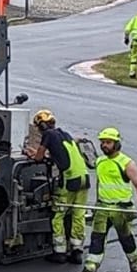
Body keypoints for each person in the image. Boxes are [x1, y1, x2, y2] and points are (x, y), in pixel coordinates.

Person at [73, 127, 137, 272]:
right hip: (103, 208)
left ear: (117, 144)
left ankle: (136, 266)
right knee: (96, 240)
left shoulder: (126, 163)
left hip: (120, 209)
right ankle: (90, 270)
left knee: (126, 239)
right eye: (102, 142)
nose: (104, 145)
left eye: (108, 142)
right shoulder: (100, 161)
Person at [24, 109, 90, 264]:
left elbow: (39, 157)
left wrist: (33, 154)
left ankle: (59, 251)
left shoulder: (48, 135)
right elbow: (62, 154)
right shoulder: (65, 135)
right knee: (78, 214)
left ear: (42, 126)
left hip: (69, 180)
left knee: (58, 214)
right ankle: (77, 250)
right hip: (84, 178)